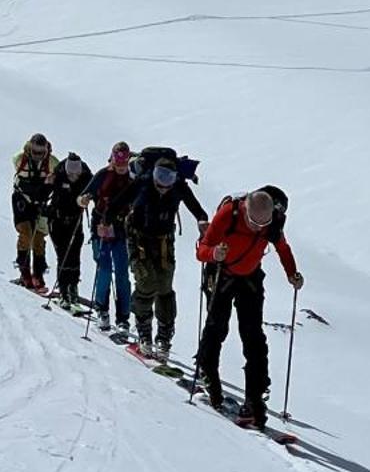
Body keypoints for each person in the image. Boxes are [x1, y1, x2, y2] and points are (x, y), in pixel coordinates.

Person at [195, 185, 302, 428]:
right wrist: (215, 254)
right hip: (221, 273)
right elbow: (201, 250)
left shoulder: (272, 223)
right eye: (253, 222)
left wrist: (292, 273)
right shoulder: (228, 214)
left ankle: (255, 400)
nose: (257, 228)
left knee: (253, 336)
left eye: (262, 224)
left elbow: (283, 248)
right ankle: (209, 376)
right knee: (216, 327)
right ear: (245, 210)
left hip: (250, 277)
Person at [125, 148, 206, 360]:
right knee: (146, 283)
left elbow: (196, 208)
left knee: (164, 287)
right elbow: (119, 201)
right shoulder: (143, 182)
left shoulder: (177, 186)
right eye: (160, 176)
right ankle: (146, 336)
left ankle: (162, 339)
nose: (163, 183)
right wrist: (106, 221)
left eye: (168, 177)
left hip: (163, 242)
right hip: (139, 239)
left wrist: (202, 220)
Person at [78, 141, 136, 335]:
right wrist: (84, 199)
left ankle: (123, 318)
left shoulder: (131, 178)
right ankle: (102, 309)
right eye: (117, 161)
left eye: (123, 162)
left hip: (121, 230)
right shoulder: (103, 175)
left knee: (121, 274)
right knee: (104, 270)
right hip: (101, 228)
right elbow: (84, 194)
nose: (120, 166)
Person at [10, 133, 56, 290]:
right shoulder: (19, 158)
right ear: (30, 148)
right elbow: (21, 182)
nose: (37, 156)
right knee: (25, 234)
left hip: (41, 203)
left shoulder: (52, 163)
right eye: (35, 152)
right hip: (22, 200)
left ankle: (38, 275)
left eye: (41, 152)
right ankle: (25, 273)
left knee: (39, 238)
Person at [48, 151, 93, 307]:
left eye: (76, 173)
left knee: (74, 254)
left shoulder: (86, 175)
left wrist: (88, 197)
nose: (74, 176)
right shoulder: (59, 173)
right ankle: (63, 290)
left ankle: (72, 288)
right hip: (57, 220)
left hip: (75, 221)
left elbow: (94, 189)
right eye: (71, 173)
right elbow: (45, 192)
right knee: (63, 254)